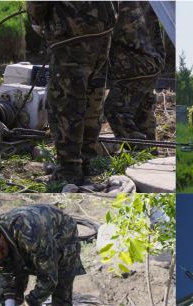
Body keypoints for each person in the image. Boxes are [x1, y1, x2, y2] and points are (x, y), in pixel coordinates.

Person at [27, 1, 117, 186]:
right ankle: (84, 164)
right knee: (93, 96)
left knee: (65, 101)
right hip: (102, 26)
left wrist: (36, 18)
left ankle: (69, 171)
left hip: (70, 27)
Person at [104, 1, 166, 144]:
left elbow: (108, 29)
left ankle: (138, 148)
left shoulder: (119, 3)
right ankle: (149, 154)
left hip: (133, 65)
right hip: (152, 61)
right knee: (143, 113)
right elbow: (156, 30)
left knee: (114, 110)